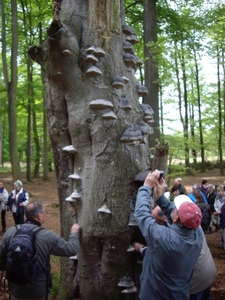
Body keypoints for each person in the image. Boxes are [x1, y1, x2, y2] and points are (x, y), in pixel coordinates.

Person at [134, 170, 203, 300]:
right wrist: (160, 198)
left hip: (156, 295)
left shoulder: (164, 238)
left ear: (176, 219)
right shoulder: (197, 233)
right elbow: (175, 213)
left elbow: (142, 214)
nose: (174, 209)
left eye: (176, 211)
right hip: (179, 294)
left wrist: (146, 188)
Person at [0, 201, 80, 300]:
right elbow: (72, 249)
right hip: (39, 291)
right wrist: (74, 233)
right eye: (45, 212)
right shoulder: (48, 236)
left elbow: (1, 260)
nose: (45, 214)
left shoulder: (11, 232)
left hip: (16, 290)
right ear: (39, 215)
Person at [133, 206, 216, 300]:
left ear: (171, 219)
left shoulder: (172, 241)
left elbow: (162, 256)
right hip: (206, 275)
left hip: (194, 284)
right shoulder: (195, 228)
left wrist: (143, 249)